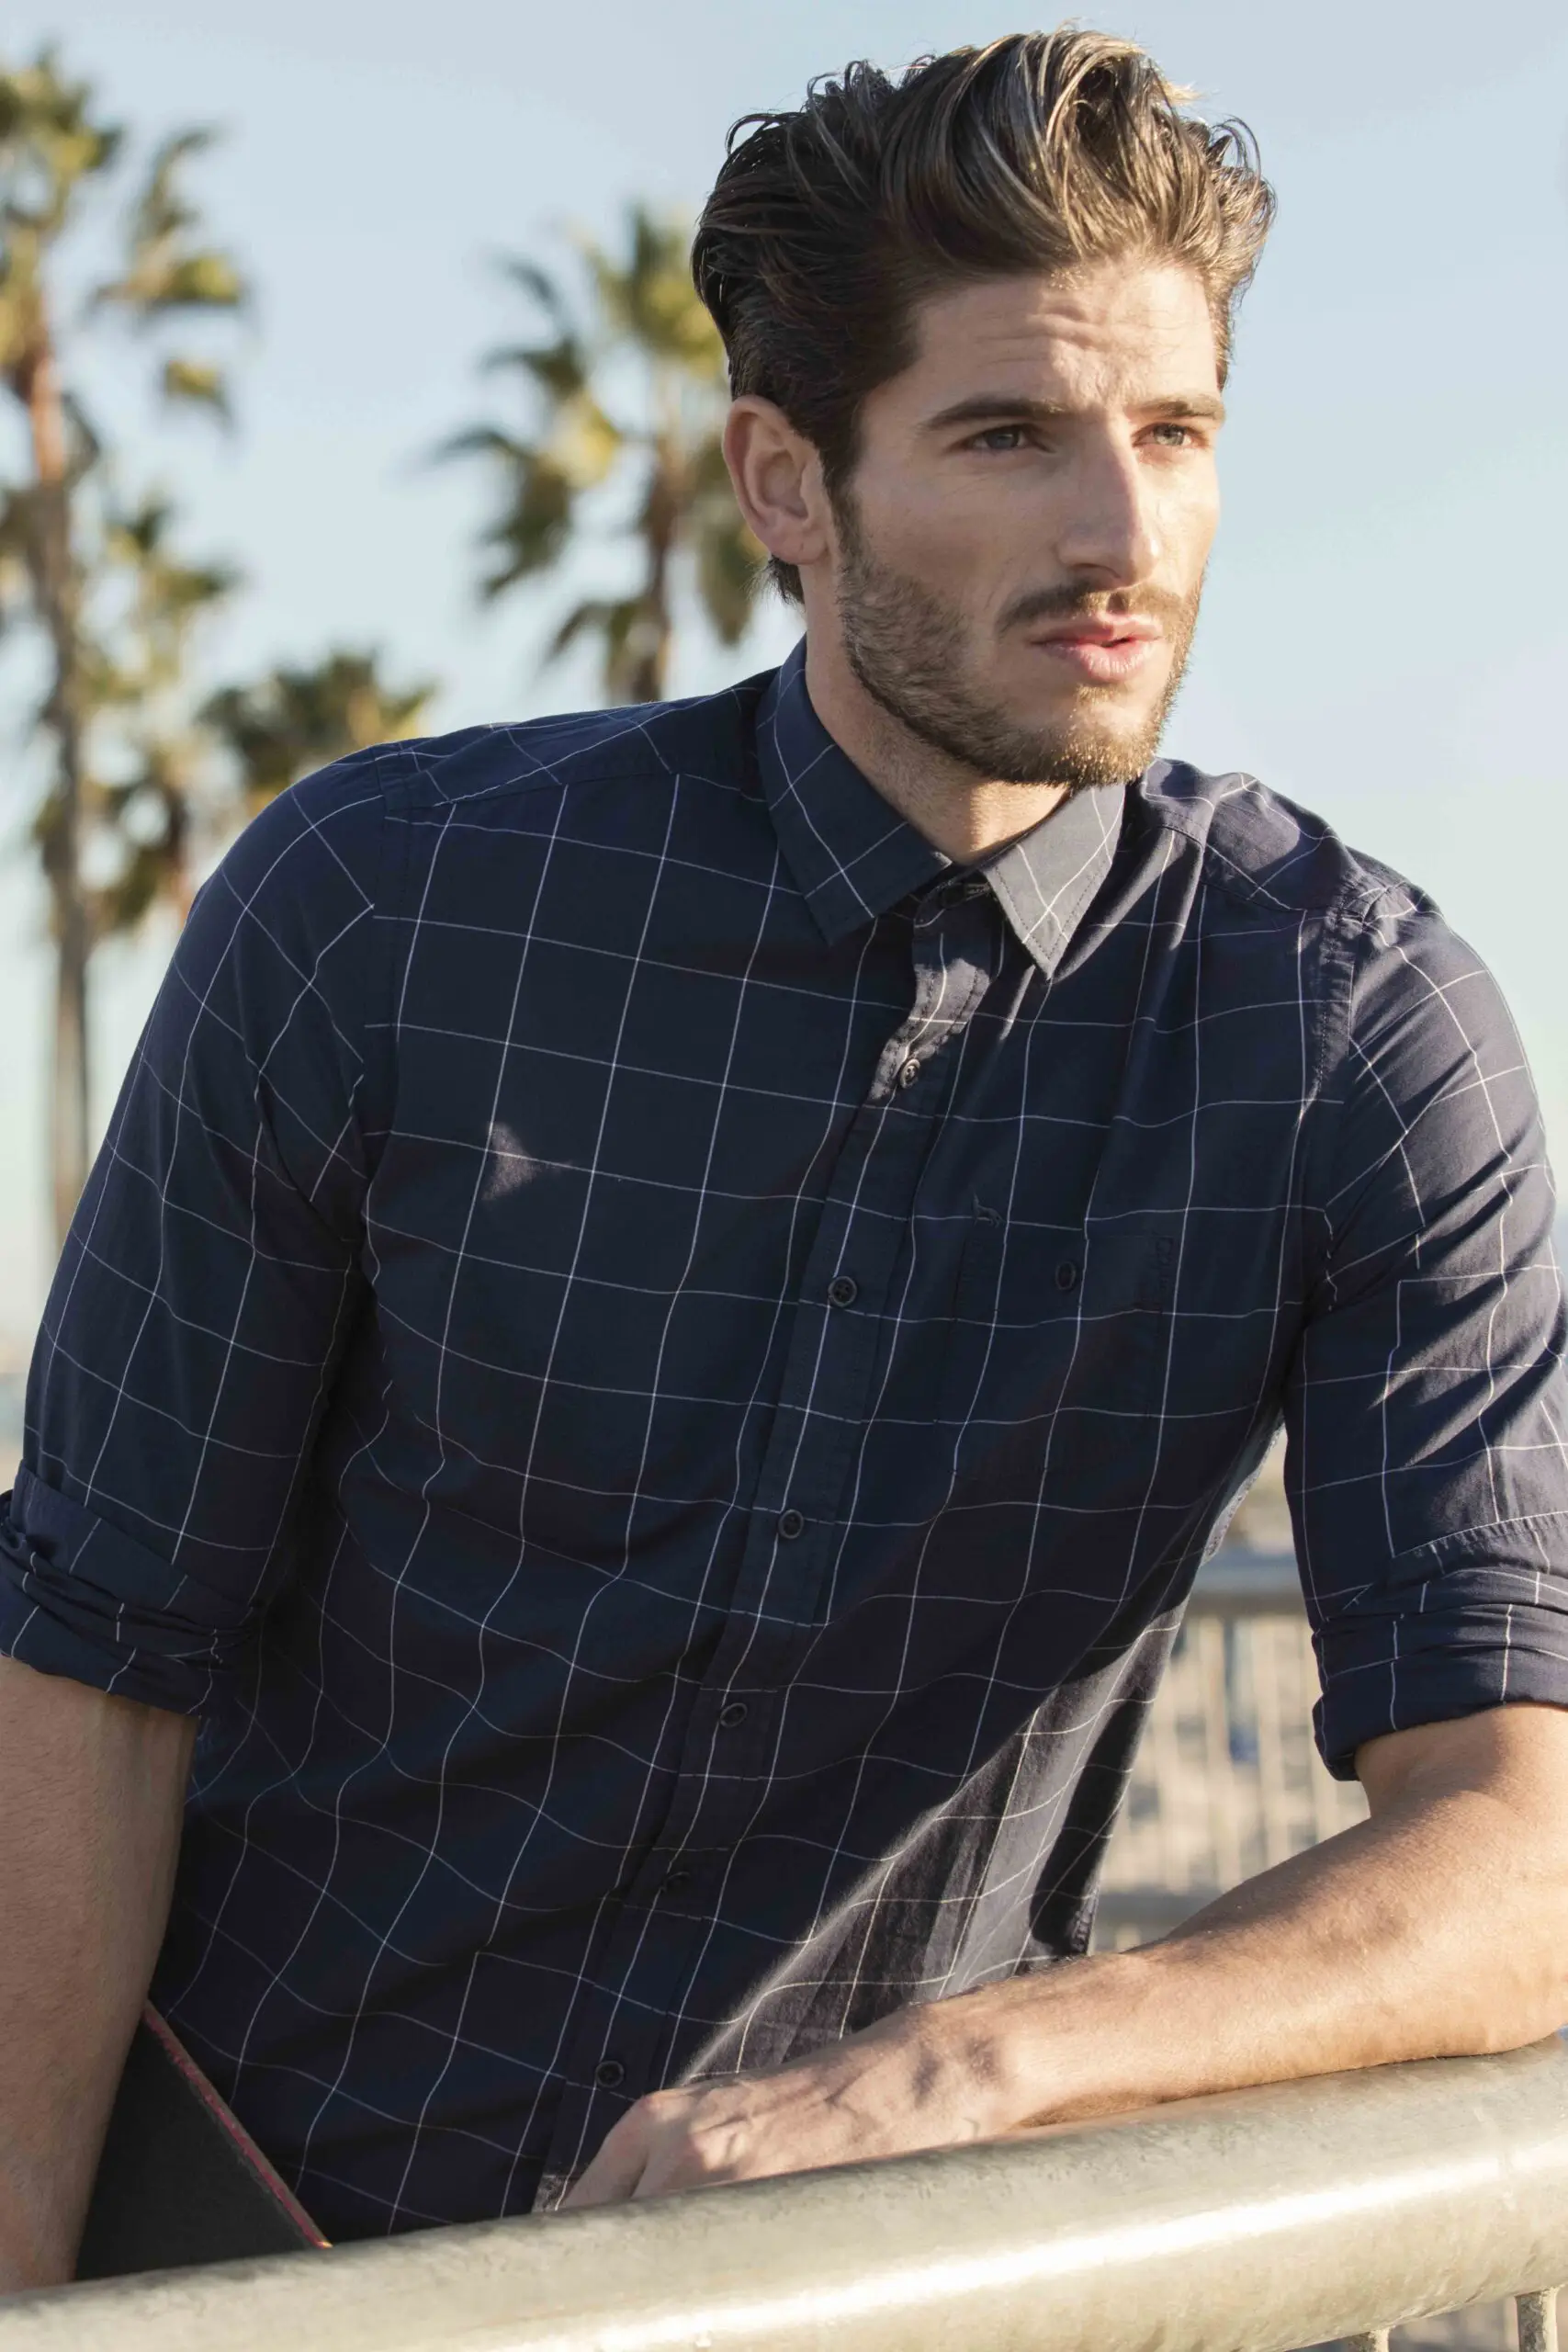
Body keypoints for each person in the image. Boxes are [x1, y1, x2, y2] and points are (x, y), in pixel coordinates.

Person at [4, 28, 1567, 2289]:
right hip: (251, 2235)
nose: (1119, 535)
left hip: (857, 2277)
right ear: (783, 483)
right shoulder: (388, 910)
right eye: (1007, 434)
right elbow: (89, 1655)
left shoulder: (1349, 1034)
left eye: (1172, 432)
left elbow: (1517, 1845)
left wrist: (972, 2073)